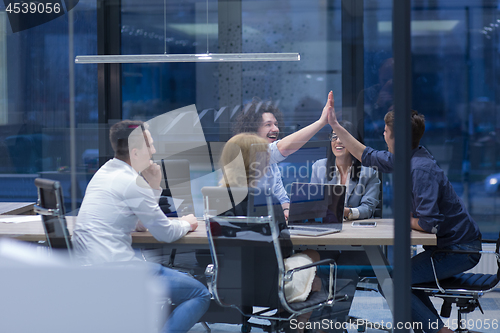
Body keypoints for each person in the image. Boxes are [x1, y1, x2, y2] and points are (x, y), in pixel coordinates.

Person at [325, 91, 482, 333]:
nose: (383, 134)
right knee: (394, 281)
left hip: (459, 250)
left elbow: (429, 223)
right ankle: (435, 329)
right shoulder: (406, 157)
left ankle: (439, 331)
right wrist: (335, 124)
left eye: (386, 132)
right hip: (451, 246)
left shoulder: (420, 169)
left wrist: (402, 218)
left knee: (394, 282)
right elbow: (364, 154)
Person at [72, 120, 211, 333]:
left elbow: (139, 225)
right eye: (151, 146)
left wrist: (153, 187)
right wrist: (187, 223)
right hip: (117, 271)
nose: (154, 151)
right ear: (135, 152)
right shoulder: (130, 182)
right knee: (200, 294)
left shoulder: (105, 172)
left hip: (88, 271)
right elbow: (165, 233)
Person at [219, 133, 322, 331]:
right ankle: (293, 327)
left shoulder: (217, 199)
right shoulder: (266, 199)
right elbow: (285, 250)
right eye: (265, 160)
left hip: (229, 285)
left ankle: (285, 322)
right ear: (255, 164)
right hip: (269, 287)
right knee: (314, 263)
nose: (269, 166)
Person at [233, 98, 331, 220]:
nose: (275, 129)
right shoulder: (250, 152)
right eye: (268, 125)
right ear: (253, 129)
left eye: (276, 124)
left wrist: (287, 210)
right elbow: (283, 148)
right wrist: (321, 122)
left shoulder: (272, 165)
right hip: (246, 226)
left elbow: (283, 199)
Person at [310, 122, 380, 220]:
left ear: (354, 141)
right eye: (334, 136)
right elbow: (313, 204)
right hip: (328, 227)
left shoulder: (369, 172)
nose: (338, 141)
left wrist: (348, 212)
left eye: (343, 137)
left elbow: (368, 208)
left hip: (357, 230)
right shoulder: (318, 167)